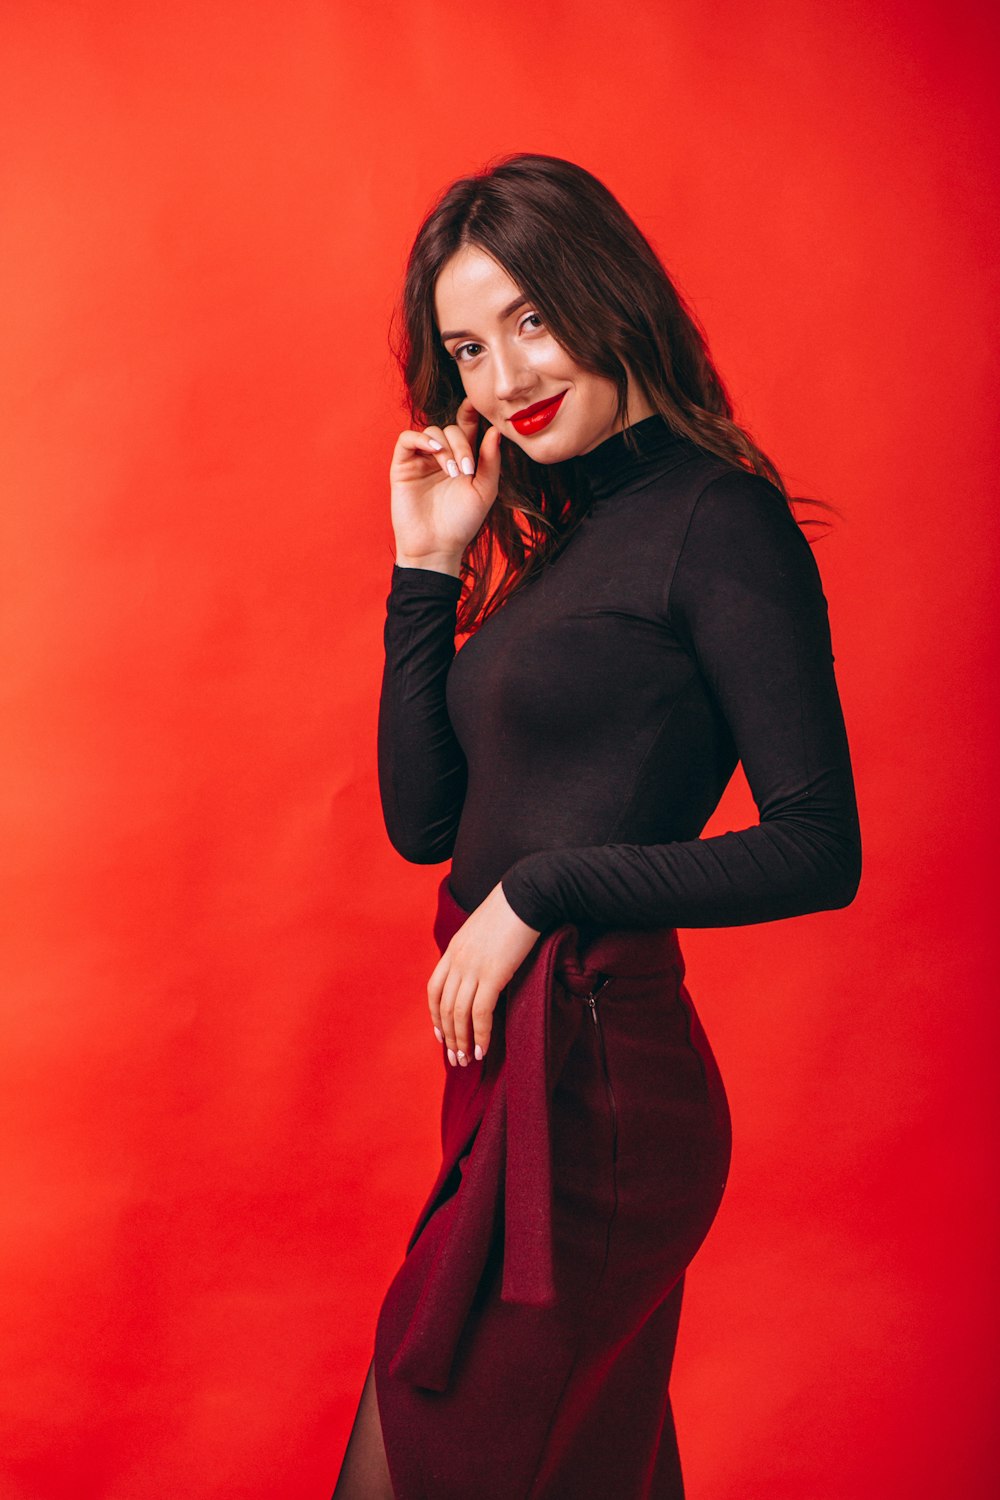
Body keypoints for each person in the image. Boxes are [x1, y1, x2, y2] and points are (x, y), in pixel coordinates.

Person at [333, 152, 861, 1500]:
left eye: (529, 317)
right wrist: (427, 567)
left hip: (600, 1080)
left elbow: (818, 843)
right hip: (510, 1082)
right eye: (467, 345)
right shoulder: (560, 539)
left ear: (605, 293)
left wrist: (540, 893)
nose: (505, 375)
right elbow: (424, 820)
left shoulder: (716, 519)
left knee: (425, 1460)